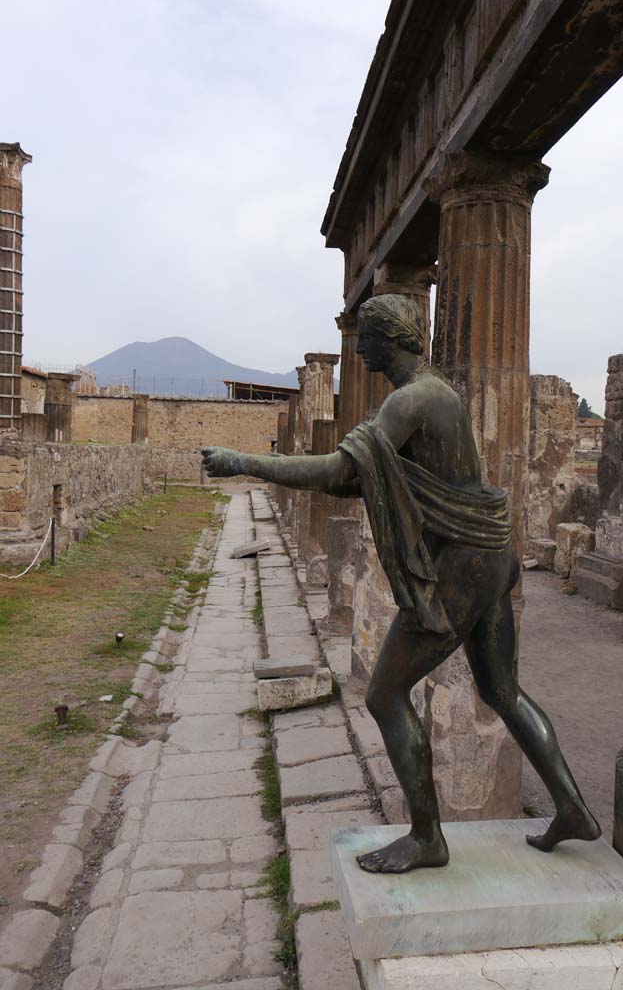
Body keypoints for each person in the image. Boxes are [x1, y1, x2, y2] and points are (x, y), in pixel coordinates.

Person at [202, 294, 600, 874]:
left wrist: (246, 463)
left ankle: (426, 837)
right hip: (490, 556)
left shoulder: (411, 399)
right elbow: (360, 480)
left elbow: (340, 470)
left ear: (391, 338)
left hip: (462, 566)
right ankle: (571, 807)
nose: (359, 349)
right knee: (500, 690)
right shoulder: (437, 393)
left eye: (366, 337)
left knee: (385, 695)